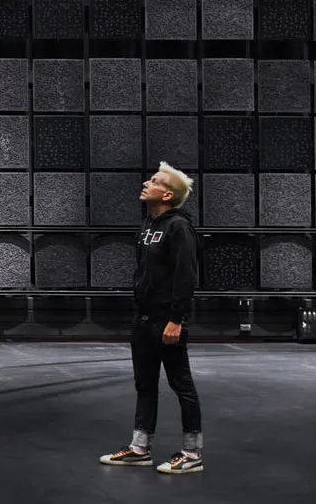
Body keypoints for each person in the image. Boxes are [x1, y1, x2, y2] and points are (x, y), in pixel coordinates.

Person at [99, 162, 203, 474]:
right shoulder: (147, 226)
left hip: (166, 321)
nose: (146, 183)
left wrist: (177, 319)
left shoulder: (179, 228)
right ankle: (139, 448)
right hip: (143, 320)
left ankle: (192, 453)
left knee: (181, 385)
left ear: (168, 195)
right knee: (145, 385)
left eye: (155, 181)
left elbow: (186, 277)